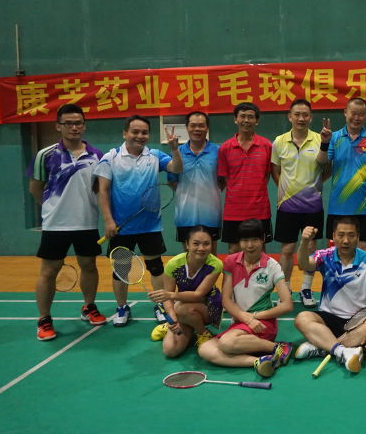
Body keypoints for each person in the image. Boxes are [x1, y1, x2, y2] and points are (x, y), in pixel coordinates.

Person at [28, 104, 106, 341]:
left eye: (78, 123)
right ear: (58, 126)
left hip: (86, 223)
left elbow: (99, 189)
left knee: (89, 266)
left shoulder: (97, 155)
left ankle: (89, 306)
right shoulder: (46, 155)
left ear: (84, 126)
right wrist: (53, 209)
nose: (74, 127)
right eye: (68, 123)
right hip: (56, 225)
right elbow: (35, 188)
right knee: (49, 271)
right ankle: (44, 319)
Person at [95, 115, 182, 327]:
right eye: (135, 131)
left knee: (156, 267)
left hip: (150, 225)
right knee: (121, 271)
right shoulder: (110, 157)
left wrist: (174, 149)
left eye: (144, 132)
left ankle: (160, 305)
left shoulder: (155, 155)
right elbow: (103, 191)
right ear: (125, 133)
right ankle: (121, 307)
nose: (140, 136)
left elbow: (176, 168)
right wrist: (108, 220)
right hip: (121, 227)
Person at [197, 220, 292, 377]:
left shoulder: (272, 266)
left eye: (254, 239)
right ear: (239, 241)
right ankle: (260, 361)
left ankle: (278, 347)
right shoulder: (231, 262)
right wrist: (247, 319)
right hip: (241, 323)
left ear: (263, 239)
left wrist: (254, 317)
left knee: (226, 343)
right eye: (245, 240)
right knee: (205, 350)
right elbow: (226, 300)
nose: (250, 245)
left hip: (263, 323)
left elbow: (287, 304)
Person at [293, 217, 366, 373]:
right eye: (341, 235)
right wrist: (304, 241)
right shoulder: (324, 256)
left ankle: (322, 346)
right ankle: (343, 351)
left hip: (359, 320)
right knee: (302, 318)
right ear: (333, 236)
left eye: (351, 235)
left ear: (358, 237)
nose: (345, 241)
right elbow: (303, 265)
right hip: (329, 317)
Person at [271, 99, 329, 308]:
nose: (301, 118)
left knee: (311, 248)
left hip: (312, 206)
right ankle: (285, 289)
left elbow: (327, 170)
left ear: (310, 117)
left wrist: (313, 187)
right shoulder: (279, 142)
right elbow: (275, 171)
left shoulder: (320, 139)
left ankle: (306, 288)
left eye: (305, 115)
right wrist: (287, 192)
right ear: (290, 116)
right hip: (287, 206)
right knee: (287, 250)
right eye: (297, 114)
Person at [316, 97, 366, 254]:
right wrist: (324, 143)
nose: (356, 118)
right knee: (335, 250)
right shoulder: (334, 137)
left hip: (365, 206)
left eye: (361, 114)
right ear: (345, 112)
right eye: (353, 113)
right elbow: (321, 162)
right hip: (338, 205)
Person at [149, 226, 223, 357]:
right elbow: (167, 299)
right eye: (196, 243)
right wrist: (173, 319)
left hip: (208, 307)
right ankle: (172, 324)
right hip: (183, 308)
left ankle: (202, 332)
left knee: (182, 308)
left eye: (206, 244)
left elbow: (198, 295)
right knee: (170, 350)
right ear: (187, 244)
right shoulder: (174, 264)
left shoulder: (215, 264)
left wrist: (171, 296)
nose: (201, 248)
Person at [218, 102, 273, 254]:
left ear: (257, 121)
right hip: (233, 210)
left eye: (250, 117)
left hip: (260, 209)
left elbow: (267, 175)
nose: (246, 120)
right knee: (234, 250)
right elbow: (225, 179)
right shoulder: (225, 148)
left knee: (260, 250)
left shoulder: (266, 146)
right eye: (242, 116)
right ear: (235, 119)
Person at [167, 111, 222, 255]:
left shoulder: (218, 151)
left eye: (201, 125)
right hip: (185, 216)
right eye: (193, 125)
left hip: (211, 215)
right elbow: (172, 181)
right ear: (187, 127)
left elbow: (222, 181)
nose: (197, 129)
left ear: (207, 128)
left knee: (211, 258)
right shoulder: (177, 152)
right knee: (189, 257)